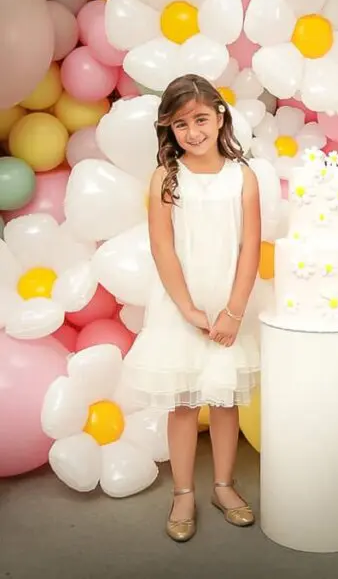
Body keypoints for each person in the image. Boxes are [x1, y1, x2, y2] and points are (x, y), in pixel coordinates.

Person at [121, 74, 262, 543]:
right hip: (179, 307)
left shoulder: (243, 176)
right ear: (170, 131)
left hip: (228, 306)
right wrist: (188, 309)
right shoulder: (167, 176)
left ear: (220, 115)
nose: (193, 131)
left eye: (200, 118)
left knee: (223, 401)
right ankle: (183, 492)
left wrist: (233, 312)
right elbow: (162, 248)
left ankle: (224, 485)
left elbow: (250, 248)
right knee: (182, 403)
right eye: (180, 124)